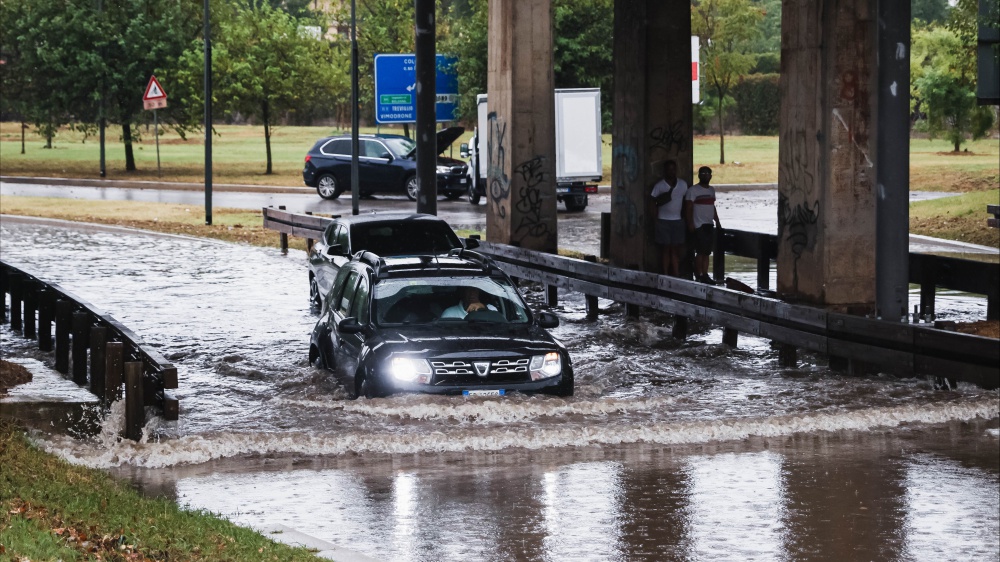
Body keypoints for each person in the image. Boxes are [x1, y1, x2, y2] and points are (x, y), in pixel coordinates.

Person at [650, 160, 689, 276]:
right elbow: (652, 201)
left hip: (677, 221)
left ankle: (676, 272)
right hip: (663, 221)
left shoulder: (683, 184)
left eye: (673, 169)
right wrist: (655, 219)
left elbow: (686, 202)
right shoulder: (659, 186)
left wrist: (686, 218)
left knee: (676, 249)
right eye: (669, 169)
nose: (671, 171)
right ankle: (666, 273)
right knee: (666, 249)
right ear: (665, 171)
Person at [685, 166, 722, 284]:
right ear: (699, 176)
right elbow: (688, 208)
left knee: (707, 252)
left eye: (707, 174)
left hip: (709, 224)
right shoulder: (693, 190)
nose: (705, 175)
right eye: (703, 173)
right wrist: (690, 223)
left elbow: (712, 206)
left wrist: (717, 221)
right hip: (699, 224)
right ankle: (699, 274)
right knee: (700, 252)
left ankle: (705, 274)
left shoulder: (711, 190)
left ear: (711, 176)